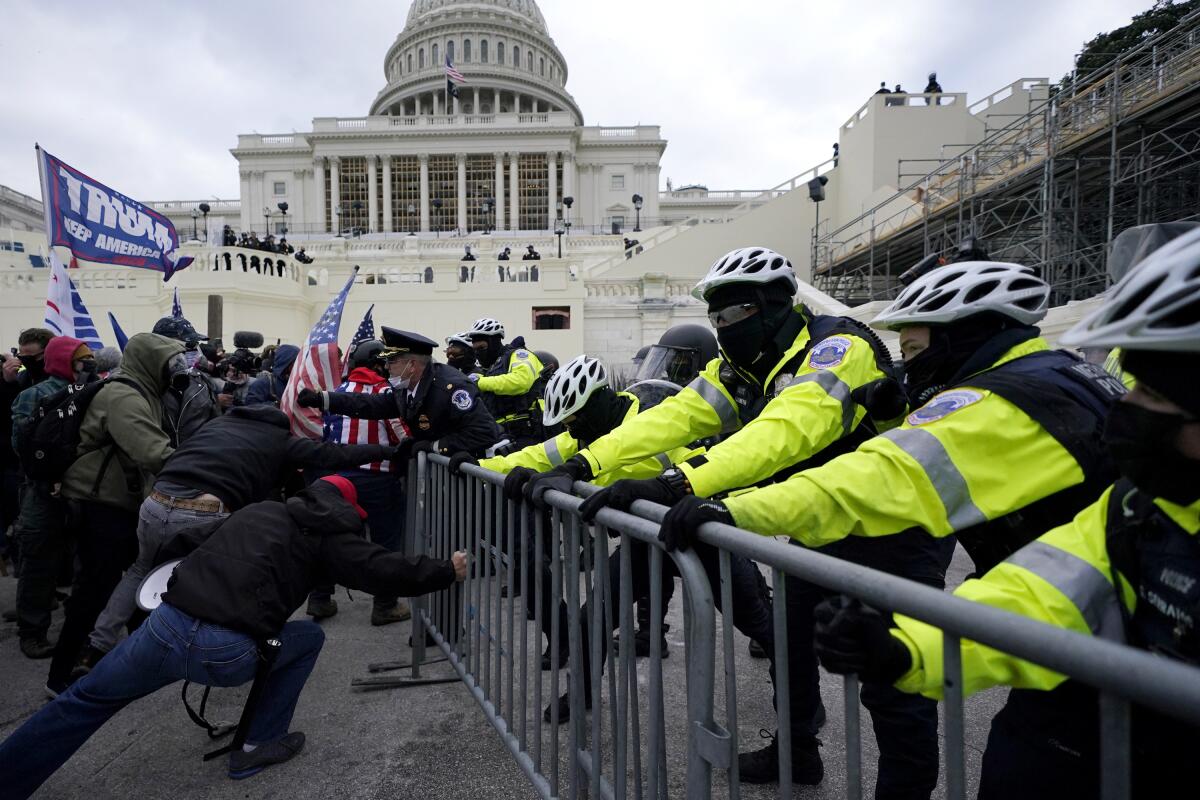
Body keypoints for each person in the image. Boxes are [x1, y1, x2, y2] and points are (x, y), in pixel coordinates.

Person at [661, 261, 1124, 795]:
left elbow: (876, 474)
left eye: (916, 350)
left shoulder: (1004, 400)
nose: (909, 364)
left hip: (908, 544)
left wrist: (729, 507)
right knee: (801, 647)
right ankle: (798, 751)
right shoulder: (1051, 378)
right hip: (1088, 642)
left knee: (898, 698)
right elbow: (1060, 568)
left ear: (964, 333)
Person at [810, 228, 1200, 800]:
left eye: (1158, 396)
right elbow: (1041, 589)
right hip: (1079, 730)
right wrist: (907, 646)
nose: (1129, 405)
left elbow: (877, 479)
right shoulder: (1142, 505)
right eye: (1135, 383)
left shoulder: (1026, 395)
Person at [535, 246, 896, 785]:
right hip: (815, 518)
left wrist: (675, 482)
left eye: (736, 314)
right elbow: (672, 418)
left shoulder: (835, 348)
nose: (725, 328)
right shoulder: (741, 366)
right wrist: (584, 462)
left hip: (890, 524)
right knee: (790, 637)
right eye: (716, 318)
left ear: (775, 306)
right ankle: (797, 751)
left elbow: (783, 434)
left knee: (891, 682)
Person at [0, 475, 467, 798]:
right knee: (305, 638)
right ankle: (254, 746)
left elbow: (183, 543)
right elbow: (381, 570)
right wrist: (446, 570)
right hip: (227, 651)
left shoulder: (260, 509)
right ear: (348, 511)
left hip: (164, 627)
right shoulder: (332, 538)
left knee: (82, 702)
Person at [79, 392, 403, 674]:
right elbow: (334, 455)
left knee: (139, 570)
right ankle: (203, 652)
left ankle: (96, 650)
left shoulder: (216, 425)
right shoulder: (278, 439)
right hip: (202, 509)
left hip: (156, 501)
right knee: (208, 583)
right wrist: (389, 452)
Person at [46, 332, 183, 697]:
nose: (176, 371)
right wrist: (200, 467)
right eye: (170, 364)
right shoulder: (123, 396)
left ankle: (141, 661)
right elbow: (152, 450)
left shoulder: (142, 393)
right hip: (100, 506)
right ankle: (61, 676)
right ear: (151, 364)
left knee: (137, 579)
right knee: (95, 589)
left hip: (118, 504)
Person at [306, 338, 413, 625]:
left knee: (330, 537)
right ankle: (385, 605)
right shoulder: (387, 392)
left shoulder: (337, 391)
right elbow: (403, 437)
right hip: (379, 480)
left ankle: (320, 598)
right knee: (385, 544)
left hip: (337, 478)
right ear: (379, 364)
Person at [9, 337, 95, 659]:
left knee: (59, 562)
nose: (87, 365)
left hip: (67, 490)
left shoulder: (87, 391)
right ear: (64, 361)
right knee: (39, 562)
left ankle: (50, 630)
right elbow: (23, 447)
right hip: (48, 492)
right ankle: (32, 632)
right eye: (81, 359)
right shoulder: (36, 395)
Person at [296, 327, 500, 461]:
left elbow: (484, 432)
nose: (386, 367)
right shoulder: (406, 389)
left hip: (472, 469)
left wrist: (434, 446)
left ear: (411, 365)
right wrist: (322, 399)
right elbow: (371, 405)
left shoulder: (450, 388)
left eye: (392, 361)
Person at [466, 318, 547, 449]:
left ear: (494, 342)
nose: (478, 353)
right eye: (475, 349)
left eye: (481, 348)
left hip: (525, 434)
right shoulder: (490, 368)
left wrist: (480, 382)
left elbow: (521, 381)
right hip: (499, 435)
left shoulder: (519, 355)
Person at [151, 316, 221, 445]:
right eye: (188, 344)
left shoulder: (203, 381)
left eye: (196, 344)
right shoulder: (145, 383)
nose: (194, 350)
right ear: (162, 346)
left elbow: (215, 426)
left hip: (195, 460)